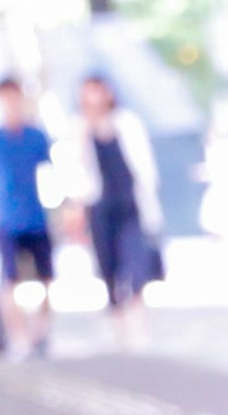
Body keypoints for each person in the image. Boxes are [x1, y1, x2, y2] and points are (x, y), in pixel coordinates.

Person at [72, 72, 163, 346]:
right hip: (99, 210)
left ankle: (138, 332)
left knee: (136, 267)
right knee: (109, 271)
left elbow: (145, 167)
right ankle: (119, 331)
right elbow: (76, 173)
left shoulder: (128, 123)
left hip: (130, 207)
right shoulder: (77, 128)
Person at [0, 73, 56, 359]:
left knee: (47, 278)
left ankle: (40, 332)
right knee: (9, 282)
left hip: (36, 217)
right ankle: (19, 337)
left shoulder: (36, 137)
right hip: (7, 221)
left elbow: (51, 174)